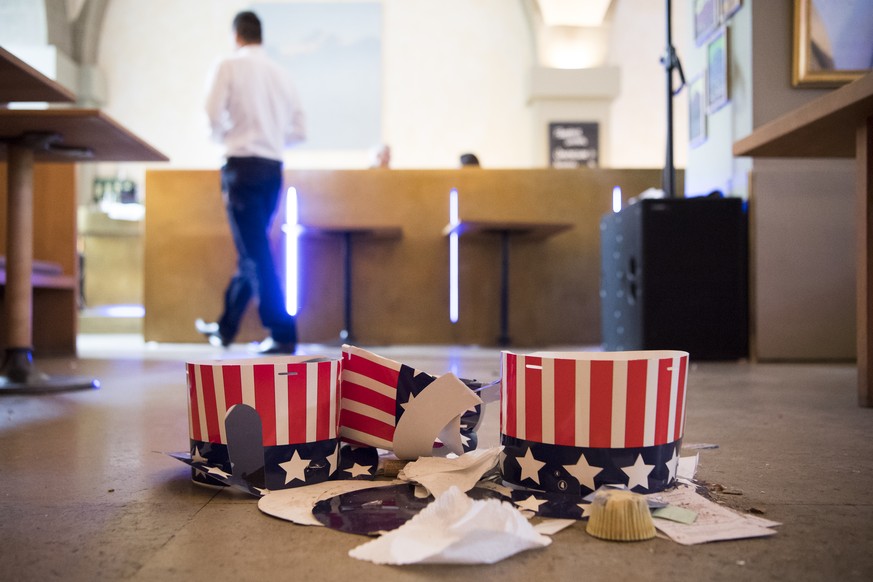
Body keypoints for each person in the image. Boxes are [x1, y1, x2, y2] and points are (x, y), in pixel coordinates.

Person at [196, 10, 305, 355]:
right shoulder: (282, 75)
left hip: (240, 166)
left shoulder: (228, 65)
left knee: (255, 251)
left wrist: (228, 137)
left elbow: (210, 115)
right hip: (272, 169)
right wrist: (270, 140)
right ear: (260, 35)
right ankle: (226, 328)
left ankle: (283, 330)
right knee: (251, 250)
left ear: (236, 35)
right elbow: (300, 130)